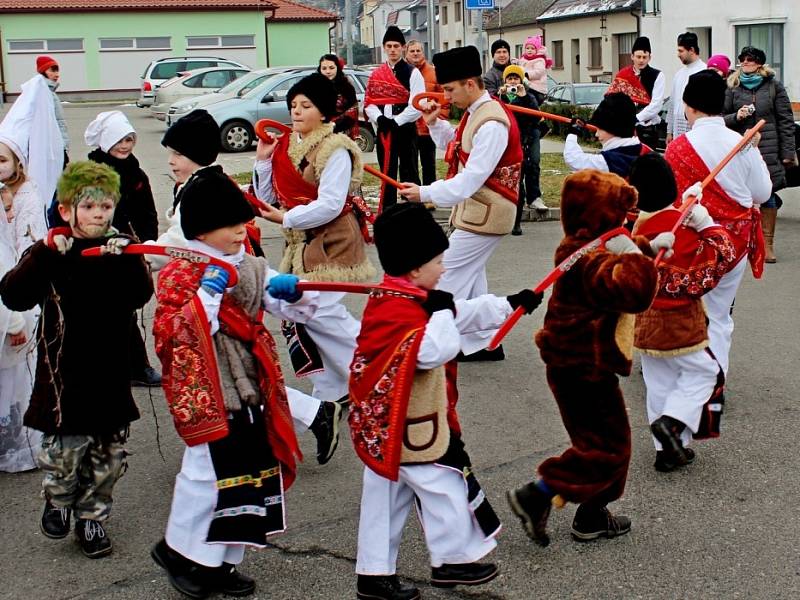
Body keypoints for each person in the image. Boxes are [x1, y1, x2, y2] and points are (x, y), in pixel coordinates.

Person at [351, 202, 542, 600]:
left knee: (386, 499)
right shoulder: (394, 308)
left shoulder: (415, 296)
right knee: (444, 484)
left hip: (397, 422)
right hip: (405, 425)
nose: (444, 267)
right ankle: (451, 557)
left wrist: (509, 303)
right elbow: (434, 349)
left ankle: (374, 574)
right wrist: (439, 314)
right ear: (415, 267)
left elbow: (462, 313)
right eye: (439, 260)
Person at [151, 169, 313, 599]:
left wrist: (291, 293)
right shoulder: (178, 273)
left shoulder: (247, 263)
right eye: (232, 224)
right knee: (206, 473)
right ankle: (179, 551)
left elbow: (277, 304)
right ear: (203, 228)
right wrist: (206, 295)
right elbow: (172, 334)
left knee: (245, 469)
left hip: (249, 382)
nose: (243, 230)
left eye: (244, 221)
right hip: (207, 385)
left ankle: (220, 559)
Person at [506, 170, 668, 547]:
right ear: (602, 213)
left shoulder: (582, 245)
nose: (627, 219)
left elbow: (617, 253)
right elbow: (633, 289)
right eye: (620, 211)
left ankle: (592, 514)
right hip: (583, 368)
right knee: (608, 449)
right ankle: (540, 493)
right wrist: (636, 254)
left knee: (604, 443)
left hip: (574, 363)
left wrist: (646, 245)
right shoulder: (589, 259)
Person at [0, 161, 153, 558]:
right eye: (88, 207)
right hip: (66, 373)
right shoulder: (53, 250)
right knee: (64, 452)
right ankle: (58, 498)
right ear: (67, 210)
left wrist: (128, 258)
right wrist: (44, 253)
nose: (98, 214)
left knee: (108, 453)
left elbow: (140, 295)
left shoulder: (121, 246)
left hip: (112, 368)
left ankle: (92, 519)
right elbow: (14, 294)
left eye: (105, 206)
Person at [254, 72, 374, 462]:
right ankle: (329, 398)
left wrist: (285, 219)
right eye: (293, 106)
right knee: (302, 319)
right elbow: (267, 195)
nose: (297, 113)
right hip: (301, 245)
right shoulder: (285, 144)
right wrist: (261, 161)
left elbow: (331, 203)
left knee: (314, 309)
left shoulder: (335, 148)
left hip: (333, 242)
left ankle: (372, 367)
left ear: (324, 111)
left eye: (305, 106)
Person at [399, 46, 523, 362]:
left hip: (489, 213)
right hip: (479, 211)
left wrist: (424, 193)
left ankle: (432, 342)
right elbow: (457, 148)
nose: (446, 97)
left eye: (450, 89)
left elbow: (470, 179)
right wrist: (436, 124)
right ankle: (484, 343)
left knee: (446, 276)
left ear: (470, 83)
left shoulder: (492, 122)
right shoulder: (476, 113)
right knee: (471, 276)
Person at [629, 153, 736, 472]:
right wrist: (705, 222)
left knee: (659, 382)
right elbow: (723, 259)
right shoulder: (682, 228)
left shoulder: (638, 225)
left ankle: (666, 450)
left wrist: (687, 204)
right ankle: (673, 425)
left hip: (645, 323)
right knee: (704, 373)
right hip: (679, 324)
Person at [665, 70, 772, 378]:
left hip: (693, 242)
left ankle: (687, 372)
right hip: (735, 242)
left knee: (689, 306)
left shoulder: (678, 149)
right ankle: (715, 378)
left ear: (689, 105)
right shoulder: (740, 144)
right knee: (720, 314)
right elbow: (762, 193)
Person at [84, 110, 161, 387]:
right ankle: (107, 367)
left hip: (127, 249)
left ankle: (136, 367)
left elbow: (147, 214)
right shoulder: (91, 173)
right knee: (99, 311)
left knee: (125, 307)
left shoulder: (136, 173)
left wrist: (149, 245)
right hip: (95, 250)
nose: (125, 145)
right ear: (105, 140)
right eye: (119, 139)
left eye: (130, 139)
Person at [722, 45, 797, 263]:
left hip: (768, 148)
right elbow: (720, 117)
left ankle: (767, 244)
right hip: (740, 147)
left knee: (768, 194)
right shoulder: (732, 86)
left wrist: (788, 152)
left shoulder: (774, 86)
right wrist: (737, 115)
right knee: (738, 195)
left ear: (760, 63)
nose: (745, 62)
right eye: (742, 58)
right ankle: (740, 243)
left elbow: (786, 121)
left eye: (750, 59)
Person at [0, 182, 42, 472]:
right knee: (9, 385)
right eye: (5, 210)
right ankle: (9, 439)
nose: (11, 215)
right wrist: (15, 324)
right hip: (8, 329)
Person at [364, 26, 424, 211]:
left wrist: (397, 121)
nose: (392, 49)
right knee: (387, 171)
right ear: (384, 47)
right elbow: (369, 102)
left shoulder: (413, 73)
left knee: (409, 169)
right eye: (389, 46)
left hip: (405, 128)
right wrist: (380, 119)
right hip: (384, 129)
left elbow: (418, 103)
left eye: (396, 46)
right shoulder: (376, 74)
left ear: (403, 48)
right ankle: (388, 209)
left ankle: (412, 209)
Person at [498, 64, 544, 234]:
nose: (512, 82)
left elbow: (536, 116)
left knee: (523, 177)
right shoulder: (500, 96)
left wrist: (523, 97)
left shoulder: (529, 96)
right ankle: (509, 220)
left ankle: (517, 222)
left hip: (525, 141)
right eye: (509, 79)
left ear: (521, 81)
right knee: (511, 181)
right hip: (507, 142)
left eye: (515, 78)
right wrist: (501, 95)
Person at [564, 92, 649, 177]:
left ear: (613, 128)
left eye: (600, 128)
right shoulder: (647, 151)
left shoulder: (610, 161)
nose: (596, 134)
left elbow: (573, 159)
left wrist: (573, 132)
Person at [606, 36, 665, 151]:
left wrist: (636, 119)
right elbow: (612, 100)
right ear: (632, 56)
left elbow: (656, 104)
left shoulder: (658, 75)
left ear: (650, 57)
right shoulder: (623, 75)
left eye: (645, 57)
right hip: (624, 130)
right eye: (638, 57)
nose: (641, 60)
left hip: (647, 130)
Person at [405, 40, 449, 192]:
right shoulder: (404, 72)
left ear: (423, 53)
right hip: (408, 126)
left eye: (418, 50)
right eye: (412, 51)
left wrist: (439, 119)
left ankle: (429, 195)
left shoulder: (433, 72)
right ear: (406, 53)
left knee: (428, 163)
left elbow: (444, 98)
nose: (416, 53)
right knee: (409, 164)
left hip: (427, 126)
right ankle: (411, 195)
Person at [666, 33, 706, 144]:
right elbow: (672, 104)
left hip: (695, 132)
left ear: (691, 50)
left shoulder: (704, 72)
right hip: (677, 133)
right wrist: (669, 131)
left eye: (681, 51)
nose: (678, 54)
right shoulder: (679, 74)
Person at [36, 56, 69, 164]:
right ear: (42, 71)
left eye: (57, 70)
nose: (57, 74)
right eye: (52, 70)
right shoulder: (43, 92)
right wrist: (61, 146)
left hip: (56, 145)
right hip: (52, 147)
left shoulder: (50, 92)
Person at [318, 53, 360, 140]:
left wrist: (334, 125)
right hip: (319, 133)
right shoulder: (314, 87)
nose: (328, 71)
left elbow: (353, 111)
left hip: (342, 134)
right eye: (324, 68)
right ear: (320, 69)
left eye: (331, 68)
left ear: (338, 68)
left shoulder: (347, 87)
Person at [516, 36, 552, 104]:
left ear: (537, 50)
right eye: (527, 48)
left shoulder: (539, 60)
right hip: (528, 85)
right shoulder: (523, 59)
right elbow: (520, 68)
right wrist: (516, 63)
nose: (529, 50)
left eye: (532, 48)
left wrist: (527, 75)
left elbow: (539, 72)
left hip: (537, 89)